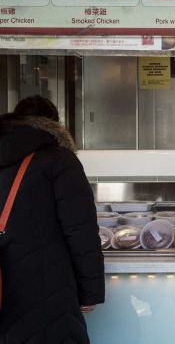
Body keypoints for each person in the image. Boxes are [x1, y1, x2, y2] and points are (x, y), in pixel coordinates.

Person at [0, 96, 104, 343]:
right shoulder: (58, 160)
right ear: (54, 125)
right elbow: (80, 230)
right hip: (46, 291)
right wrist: (90, 292)